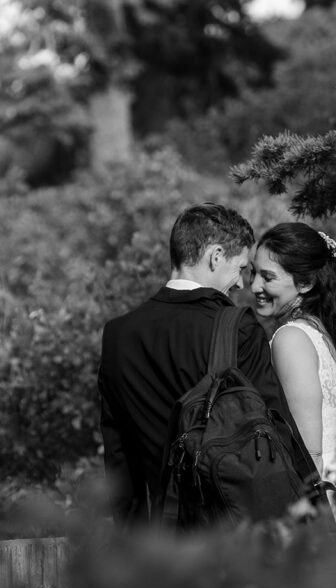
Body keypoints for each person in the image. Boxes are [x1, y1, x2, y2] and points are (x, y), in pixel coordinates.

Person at [98, 203, 318, 528]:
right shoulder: (238, 329)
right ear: (215, 256)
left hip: (166, 545)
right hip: (232, 538)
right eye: (241, 267)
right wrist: (318, 517)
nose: (242, 284)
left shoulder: (118, 335)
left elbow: (120, 462)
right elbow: (278, 439)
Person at [250, 222, 336, 487]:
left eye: (267, 277)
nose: (254, 286)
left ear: (305, 283)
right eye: (253, 274)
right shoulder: (317, 330)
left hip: (313, 489)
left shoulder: (291, 339)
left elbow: (308, 452)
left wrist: (313, 519)